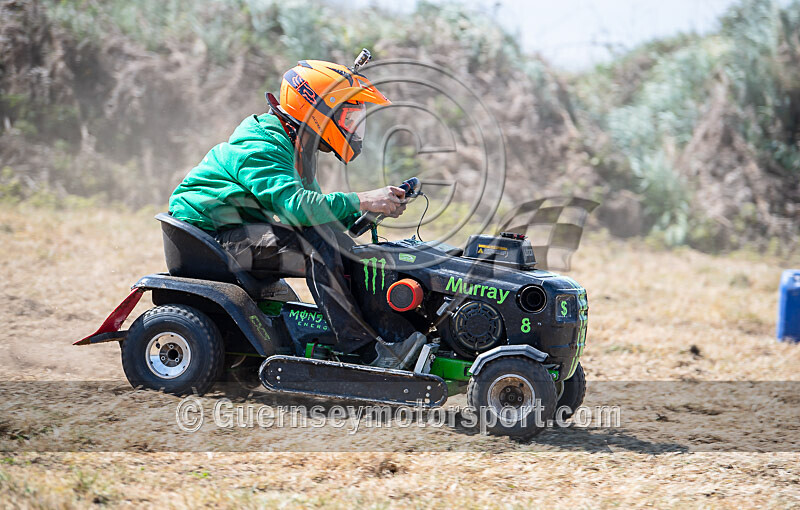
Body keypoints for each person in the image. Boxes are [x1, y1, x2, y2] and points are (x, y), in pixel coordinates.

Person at [168, 56, 425, 369]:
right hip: (208, 239)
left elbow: (316, 215)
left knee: (337, 243)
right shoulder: (261, 143)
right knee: (315, 247)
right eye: (348, 118)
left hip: (239, 232)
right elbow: (297, 209)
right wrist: (362, 199)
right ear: (316, 111)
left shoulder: (295, 147)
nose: (354, 128)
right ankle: (362, 350)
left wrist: (372, 209)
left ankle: (391, 333)